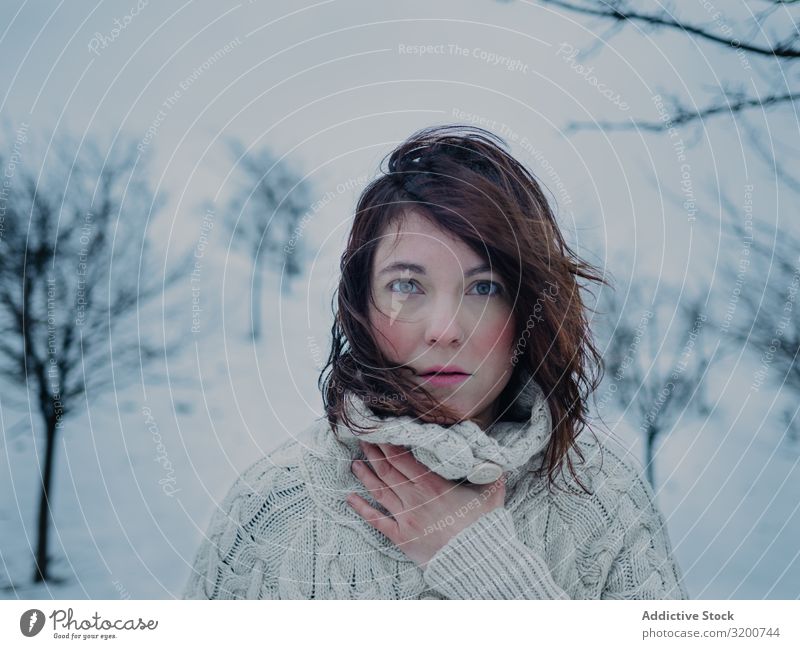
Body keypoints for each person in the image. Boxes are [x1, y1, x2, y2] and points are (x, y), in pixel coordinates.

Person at [182, 124, 689, 600]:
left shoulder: (606, 499)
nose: (444, 331)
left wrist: (492, 576)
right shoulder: (276, 506)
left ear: (530, 306)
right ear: (362, 306)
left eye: (484, 287)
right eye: (407, 285)